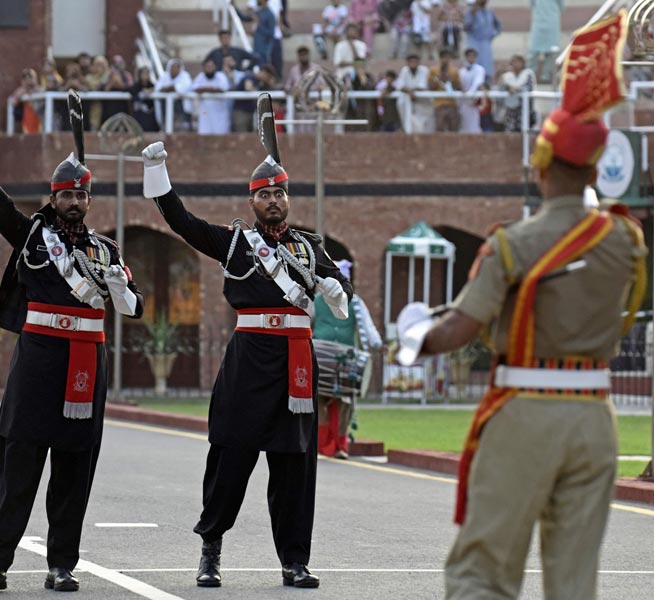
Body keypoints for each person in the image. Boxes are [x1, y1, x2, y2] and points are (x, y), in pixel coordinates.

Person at [395, 12, 645, 599]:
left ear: (540, 165)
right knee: (574, 578)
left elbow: (458, 329)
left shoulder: (514, 243)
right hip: (595, 414)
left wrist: (413, 337)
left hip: (528, 407)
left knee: (484, 570)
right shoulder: (626, 240)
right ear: (594, 166)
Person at [140, 94, 352, 590]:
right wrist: (158, 175)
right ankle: (210, 550)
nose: (273, 200)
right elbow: (183, 223)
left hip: (297, 362)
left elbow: (340, 300)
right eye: (264, 194)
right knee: (231, 457)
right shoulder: (236, 243)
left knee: (295, 467)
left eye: (280, 192)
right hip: (249, 361)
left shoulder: (310, 247)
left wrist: (333, 288)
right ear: (251, 202)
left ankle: (294, 560)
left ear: (288, 198)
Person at [0, 92, 144, 592]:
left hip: (87, 362)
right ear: (54, 194)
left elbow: (135, 307)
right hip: (38, 361)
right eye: (67, 194)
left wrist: (122, 286)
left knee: (74, 468)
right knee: (18, 463)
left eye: (82, 195)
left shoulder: (106, 249)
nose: (75, 202)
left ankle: (61, 564)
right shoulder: (33, 236)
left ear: (90, 199)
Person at [314, 260, 383, 459]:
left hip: (346, 358)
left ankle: (340, 446)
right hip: (322, 356)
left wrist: (377, 344)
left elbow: (367, 327)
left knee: (346, 403)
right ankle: (323, 445)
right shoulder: (316, 300)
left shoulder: (356, 303)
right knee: (318, 400)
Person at [463, 0, 501, 81]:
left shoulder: (490, 12)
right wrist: (472, 16)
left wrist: (492, 35)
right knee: (474, 66)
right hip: (474, 42)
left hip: (486, 43)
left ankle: (487, 84)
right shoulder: (471, 11)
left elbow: (498, 26)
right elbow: (465, 28)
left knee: (487, 67)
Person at [192, 58, 231, 135]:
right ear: (204, 68)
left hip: (220, 115)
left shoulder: (221, 76)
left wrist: (205, 89)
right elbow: (195, 88)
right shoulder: (200, 77)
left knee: (221, 136)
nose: (209, 68)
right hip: (205, 114)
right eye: (207, 66)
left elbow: (222, 88)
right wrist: (212, 88)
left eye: (211, 66)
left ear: (215, 67)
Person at [155, 58, 194, 132]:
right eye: (172, 67)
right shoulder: (164, 76)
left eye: (177, 67)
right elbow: (158, 89)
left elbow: (183, 89)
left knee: (182, 129)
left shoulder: (185, 76)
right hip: (165, 108)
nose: (174, 69)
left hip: (181, 108)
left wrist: (170, 88)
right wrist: (170, 88)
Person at [396, 54, 432, 133]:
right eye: (411, 61)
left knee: (424, 127)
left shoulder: (424, 70)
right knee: (409, 125)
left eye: (415, 61)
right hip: (409, 102)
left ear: (419, 62)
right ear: (407, 63)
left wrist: (411, 91)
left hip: (423, 103)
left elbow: (422, 86)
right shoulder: (404, 70)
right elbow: (399, 86)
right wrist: (409, 91)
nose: (413, 63)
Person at [499, 54, 535, 132]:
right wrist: (508, 87)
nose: (514, 64)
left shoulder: (528, 74)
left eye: (517, 61)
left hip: (524, 110)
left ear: (522, 63)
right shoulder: (506, 76)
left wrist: (516, 89)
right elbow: (501, 89)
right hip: (510, 112)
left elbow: (528, 88)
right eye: (512, 62)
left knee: (524, 133)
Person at [428, 48, 462, 132]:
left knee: (453, 127)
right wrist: (438, 79)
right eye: (443, 57)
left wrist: (450, 80)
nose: (445, 60)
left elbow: (458, 87)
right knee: (439, 126)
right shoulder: (433, 70)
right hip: (439, 103)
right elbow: (430, 87)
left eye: (447, 57)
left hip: (452, 103)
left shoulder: (454, 71)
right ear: (440, 58)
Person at [459, 48, 485, 133]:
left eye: (473, 56)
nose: (471, 58)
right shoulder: (461, 71)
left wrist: (471, 95)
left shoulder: (479, 69)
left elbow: (477, 83)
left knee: (474, 124)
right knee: (463, 124)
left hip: (473, 100)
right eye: (469, 56)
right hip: (462, 101)